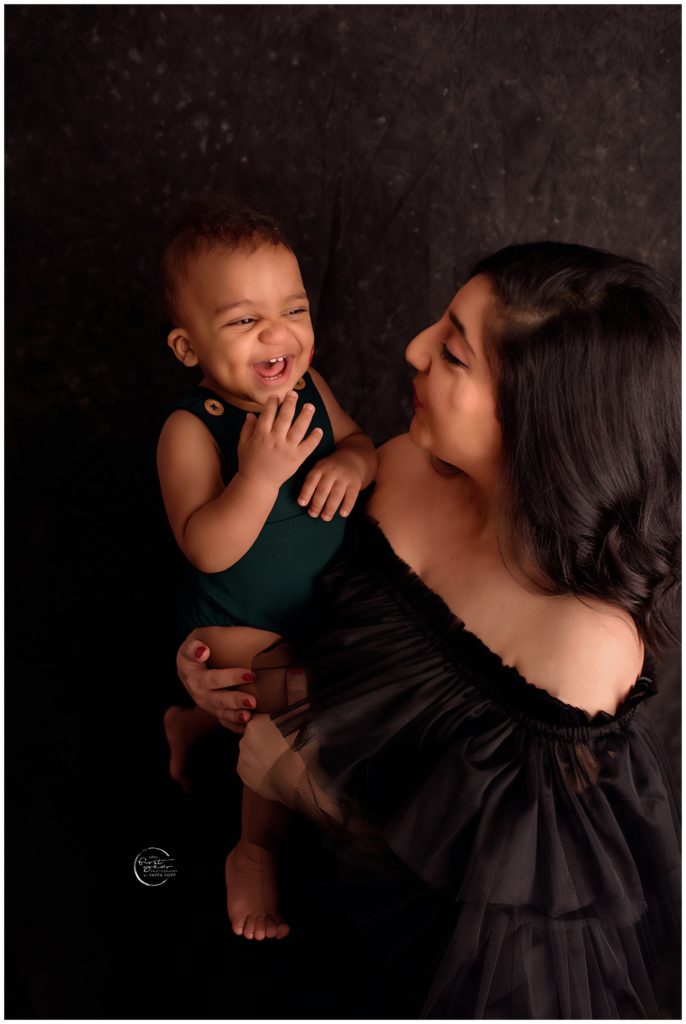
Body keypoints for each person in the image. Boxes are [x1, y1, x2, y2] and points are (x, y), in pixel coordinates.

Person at [176, 241, 680, 1017]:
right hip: (278, 870)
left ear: (536, 413)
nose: (412, 349)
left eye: (451, 353)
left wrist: (306, 788)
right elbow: (299, 617)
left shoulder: (583, 644)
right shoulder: (404, 466)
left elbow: (495, 895)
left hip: (403, 962)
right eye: (440, 326)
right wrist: (212, 669)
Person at [157, 197, 377, 941]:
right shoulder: (193, 429)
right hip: (233, 623)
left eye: (293, 309)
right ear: (188, 347)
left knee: (310, 676)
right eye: (245, 319)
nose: (278, 334)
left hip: (317, 612)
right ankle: (254, 851)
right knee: (283, 694)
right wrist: (257, 477)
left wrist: (351, 461)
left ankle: (191, 724)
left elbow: (362, 443)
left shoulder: (310, 391)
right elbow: (204, 546)